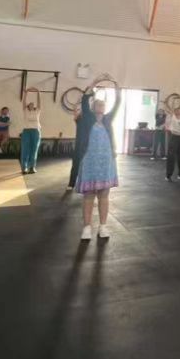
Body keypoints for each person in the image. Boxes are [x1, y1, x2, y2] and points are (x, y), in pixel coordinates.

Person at [75, 76, 122, 241]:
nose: (101, 106)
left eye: (103, 104)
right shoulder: (88, 118)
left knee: (104, 194)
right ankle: (87, 227)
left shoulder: (108, 119)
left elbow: (117, 104)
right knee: (89, 195)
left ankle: (103, 226)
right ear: (93, 107)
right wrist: (93, 84)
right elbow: (84, 99)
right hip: (90, 161)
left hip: (106, 161)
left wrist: (117, 89)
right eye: (98, 104)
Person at [165, 104, 180, 182]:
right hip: (174, 137)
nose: (178, 111)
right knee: (171, 157)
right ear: (174, 110)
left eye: (179, 109)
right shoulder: (171, 116)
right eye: (176, 110)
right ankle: (168, 175)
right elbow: (167, 124)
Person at [20, 88, 41, 174]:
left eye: (33, 104)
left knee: (34, 149)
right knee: (25, 149)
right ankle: (24, 167)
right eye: (30, 104)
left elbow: (39, 102)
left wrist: (38, 92)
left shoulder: (37, 111)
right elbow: (24, 102)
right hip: (26, 131)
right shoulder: (25, 111)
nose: (32, 104)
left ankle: (32, 167)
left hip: (35, 131)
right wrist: (26, 93)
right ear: (28, 106)